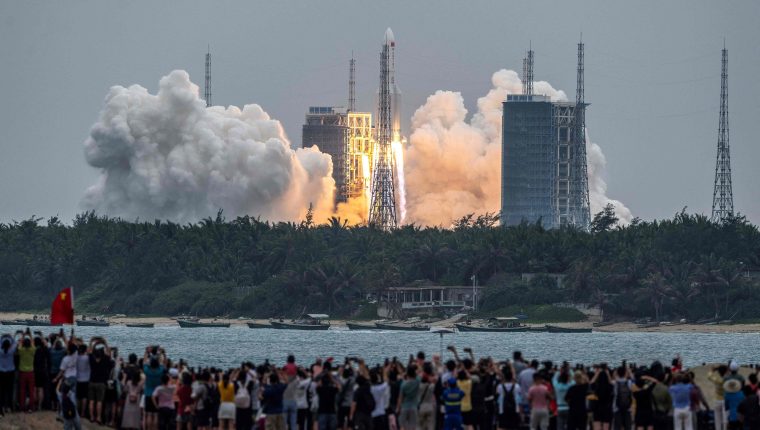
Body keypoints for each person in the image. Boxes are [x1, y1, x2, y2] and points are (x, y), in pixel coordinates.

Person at [88, 340, 114, 424]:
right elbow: (109, 353)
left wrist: (94, 343)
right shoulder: (105, 359)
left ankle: (92, 417)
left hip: (92, 381)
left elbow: (89, 350)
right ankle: (98, 417)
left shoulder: (91, 359)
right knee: (99, 401)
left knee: (91, 401)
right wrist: (105, 343)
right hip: (101, 383)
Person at [144, 349, 166, 430]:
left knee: (149, 414)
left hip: (148, 393)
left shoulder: (147, 371)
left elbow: (144, 362)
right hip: (157, 394)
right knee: (156, 415)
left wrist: (146, 352)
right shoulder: (160, 371)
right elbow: (164, 364)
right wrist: (163, 354)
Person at [17, 329, 37, 412]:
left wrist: (23, 335)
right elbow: (33, 343)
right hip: (30, 372)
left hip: (22, 372)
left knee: (22, 390)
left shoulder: (21, 350)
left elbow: (20, 343)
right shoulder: (32, 350)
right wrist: (30, 334)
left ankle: (22, 407)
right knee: (31, 391)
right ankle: (30, 408)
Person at [496, 365, 521, 430]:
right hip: (514, 409)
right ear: (511, 377)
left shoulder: (500, 386)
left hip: (503, 409)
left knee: (502, 427)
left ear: (504, 377)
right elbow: (519, 395)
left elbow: (497, 393)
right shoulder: (516, 386)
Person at [591, 365, 615, 430]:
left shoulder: (596, 387)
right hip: (607, 409)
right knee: (606, 427)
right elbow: (612, 384)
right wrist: (608, 374)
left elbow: (591, 383)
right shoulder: (609, 387)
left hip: (597, 408)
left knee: (597, 427)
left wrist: (597, 373)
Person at [397, 365, 420, 430]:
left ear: (407, 374)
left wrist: (398, 408)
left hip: (404, 407)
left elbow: (400, 398)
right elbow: (419, 373)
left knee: (402, 426)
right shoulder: (417, 381)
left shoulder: (403, 384)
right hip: (413, 407)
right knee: (413, 427)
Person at [0, 333, 18, 416]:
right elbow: (15, 343)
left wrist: (2, 337)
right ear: (9, 345)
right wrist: (10, 336)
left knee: (2, 391)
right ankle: (10, 407)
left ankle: (2, 406)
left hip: (1, 373)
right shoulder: (11, 350)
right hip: (10, 372)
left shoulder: (0, 351)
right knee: (10, 390)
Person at [553, 364, 574, 430]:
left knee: (560, 426)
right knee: (569, 426)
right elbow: (573, 379)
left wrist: (559, 371)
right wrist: (569, 370)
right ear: (567, 378)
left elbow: (554, 379)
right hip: (568, 408)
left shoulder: (557, 386)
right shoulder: (570, 386)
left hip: (559, 408)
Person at [709, 365, 730, 430]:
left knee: (717, 419)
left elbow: (709, 376)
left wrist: (712, 370)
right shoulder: (727, 379)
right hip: (725, 400)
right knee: (725, 419)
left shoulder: (717, 379)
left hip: (717, 400)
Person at [613, 365, 634, 430]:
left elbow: (614, 377)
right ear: (625, 373)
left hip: (617, 407)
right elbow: (634, 380)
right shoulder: (629, 382)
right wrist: (629, 371)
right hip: (628, 408)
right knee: (628, 427)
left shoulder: (615, 383)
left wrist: (615, 371)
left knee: (617, 427)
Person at [32, 334, 50, 411]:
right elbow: (46, 345)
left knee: (35, 389)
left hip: (34, 371)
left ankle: (35, 405)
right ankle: (39, 405)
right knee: (41, 389)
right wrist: (42, 336)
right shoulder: (44, 349)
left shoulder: (33, 350)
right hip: (42, 371)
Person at [75, 343, 91, 417]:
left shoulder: (76, 357)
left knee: (78, 397)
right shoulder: (87, 358)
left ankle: (77, 411)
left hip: (78, 379)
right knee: (84, 397)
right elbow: (90, 352)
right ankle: (83, 413)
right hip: (86, 380)